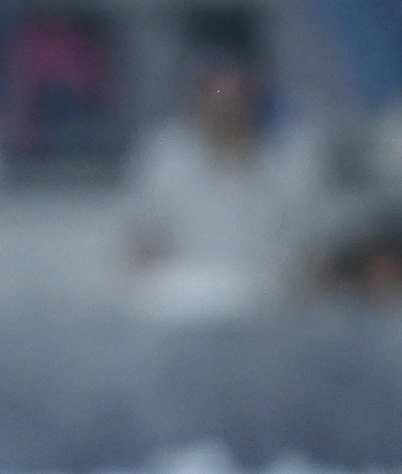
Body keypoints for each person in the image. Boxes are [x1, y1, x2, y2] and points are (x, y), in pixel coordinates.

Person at [119, 19, 329, 316]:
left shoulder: (293, 157)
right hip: (187, 306)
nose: (224, 97)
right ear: (194, 88)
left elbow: (314, 256)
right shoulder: (163, 156)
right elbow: (140, 248)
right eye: (212, 83)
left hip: (268, 305)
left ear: (254, 86)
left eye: (235, 83)